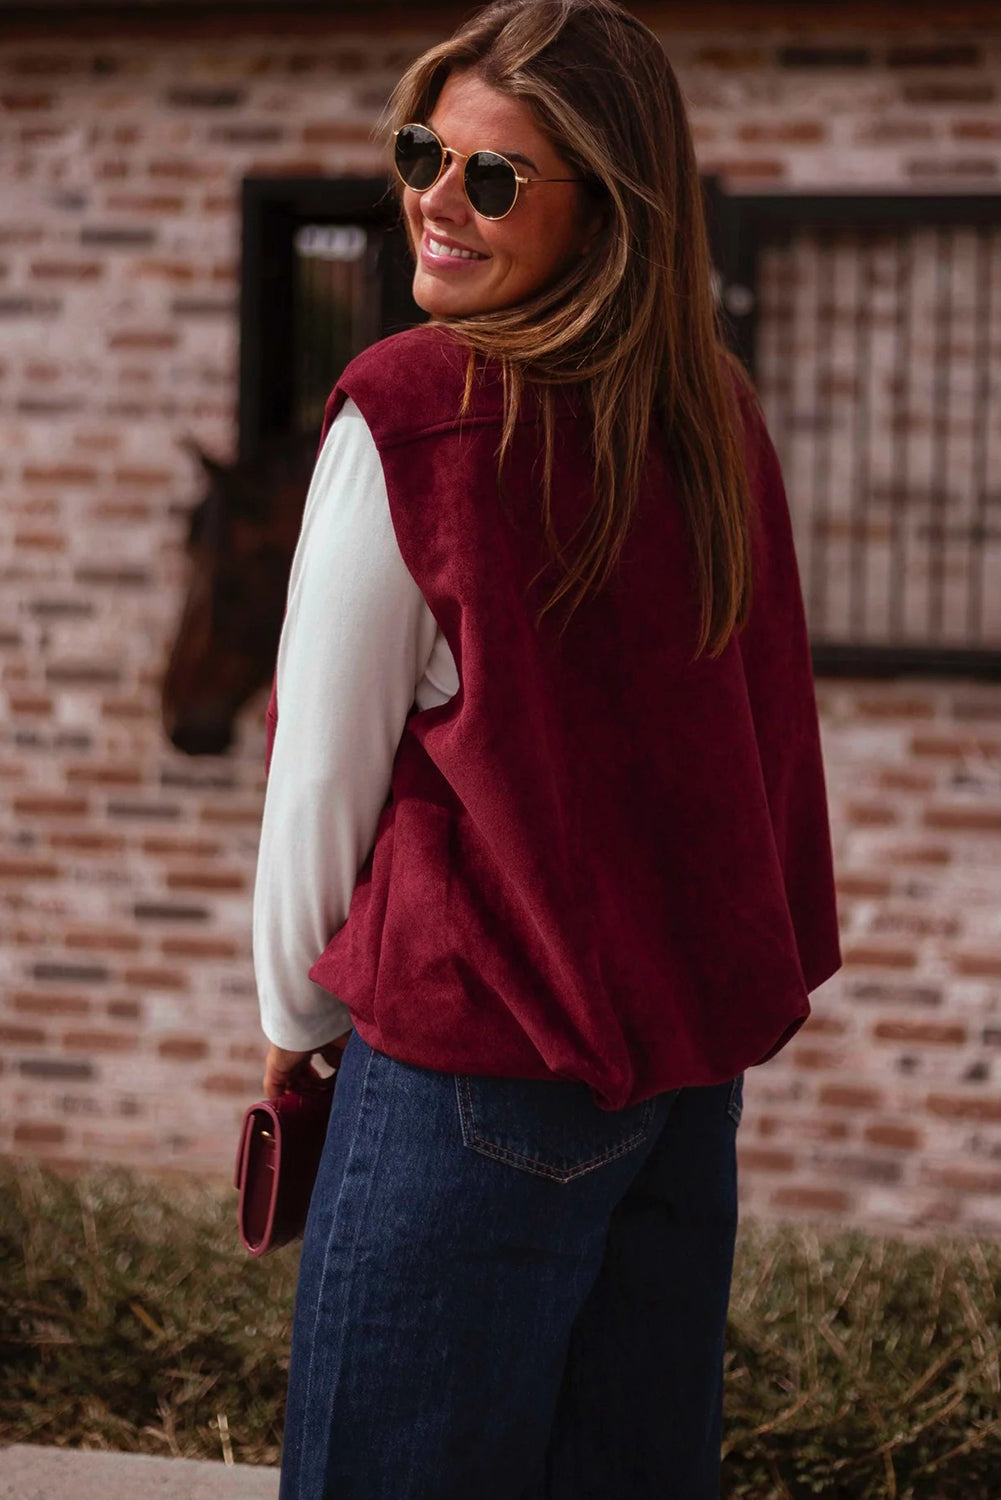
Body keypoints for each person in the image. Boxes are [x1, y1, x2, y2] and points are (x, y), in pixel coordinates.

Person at [251, 1, 842, 1495]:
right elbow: (761, 747)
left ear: (609, 213)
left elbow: (321, 769)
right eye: (420, 154)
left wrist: (290, 1025)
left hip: (467, 1056)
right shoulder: (713, 417)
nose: (434, 203)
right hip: (674, 1089)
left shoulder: (410, 407)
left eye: (492, 178)